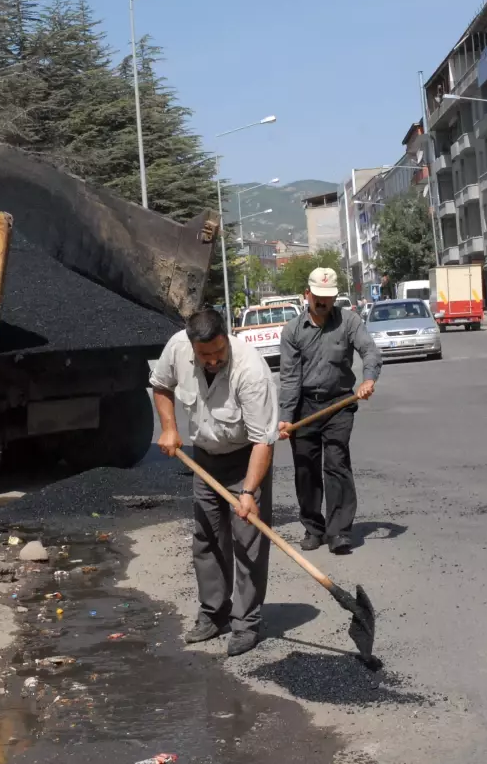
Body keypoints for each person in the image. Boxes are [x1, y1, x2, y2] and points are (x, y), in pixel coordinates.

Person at [150, 308, 278, 657]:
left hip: (245, 458)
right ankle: (214, 613)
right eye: (204, 355)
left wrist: (249, 492)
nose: (211, 360)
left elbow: (263, 441)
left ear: (227, 337)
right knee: (206, 537)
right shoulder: (177, 347)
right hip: (204, 458)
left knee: (247, 542)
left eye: (218, 353)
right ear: (191, 346)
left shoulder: (251, 372)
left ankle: (246, 623)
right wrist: (169, 428)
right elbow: (160, 386)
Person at [278, 267, 381, 555]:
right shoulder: (293, 331)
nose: (322, 303)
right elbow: (289, 378)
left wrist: (369, 379)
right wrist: (286, 417)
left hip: (339, 404)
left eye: (328, 297)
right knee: (306, 469)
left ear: (335, 296)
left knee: (336, 463)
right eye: (317, 297)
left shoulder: (349, 321)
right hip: (305, 406)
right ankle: (314, 528)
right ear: (306, 295)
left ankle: (339, 532)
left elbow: (370, 351)